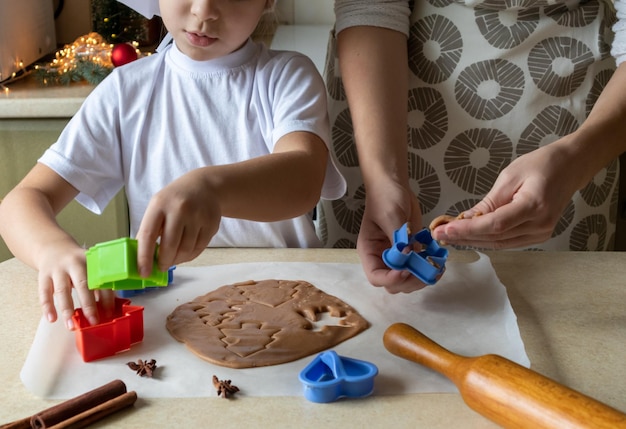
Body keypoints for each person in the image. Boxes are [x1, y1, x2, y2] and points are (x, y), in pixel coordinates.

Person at [0, 0, 346, 330]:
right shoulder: (125, 92)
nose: (204, 10)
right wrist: (52, 250)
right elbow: (23, 200)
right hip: (169, 308)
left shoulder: (286, 76)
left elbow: (304, 177)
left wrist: (212, 189)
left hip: (289, 302)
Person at [318, 0, 626, 292]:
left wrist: (576, 159)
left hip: (578, 111)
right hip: (383, 92)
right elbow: (370, 5)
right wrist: (383, 177)